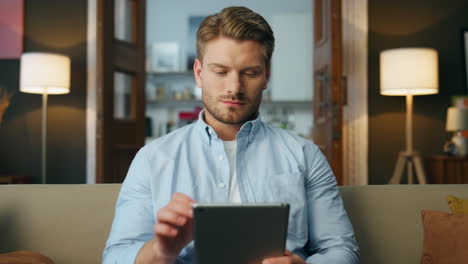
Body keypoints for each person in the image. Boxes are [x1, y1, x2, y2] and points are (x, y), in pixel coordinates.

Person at [103, 6, 359, 264]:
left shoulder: (306, 156)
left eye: (250, 73)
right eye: (221, 72)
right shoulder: (151, 159)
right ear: (199, 73)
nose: (234, 88)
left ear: (266, 76)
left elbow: (342, 251)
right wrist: (161, 251)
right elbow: (115, 257)